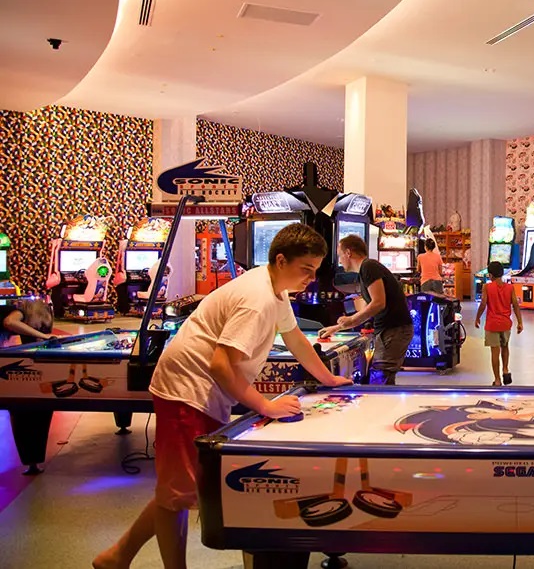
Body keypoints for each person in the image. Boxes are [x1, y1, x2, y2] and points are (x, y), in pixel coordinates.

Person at [94, 224, 352, 569]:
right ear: (280, 260)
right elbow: (220, 365)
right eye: (306, 269)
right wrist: (266, 405)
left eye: (315, 270)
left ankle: (117, 556)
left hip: (204, 392)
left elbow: (295, 339)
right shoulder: (257, 299)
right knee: (178, 495)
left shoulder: (275, 289)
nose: (311, 278)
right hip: (186, 390)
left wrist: (328, 378)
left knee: (179, 488)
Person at [319, 235, 413, 385]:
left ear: (348, 253)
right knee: (380, 375)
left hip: (394, 330)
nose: (340, 261)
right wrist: (336, 328)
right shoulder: (366, 269)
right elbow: (369, 310)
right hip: (391, 330)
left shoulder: (369, 267)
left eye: (340, 255)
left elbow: (378, 303)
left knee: (380, 378)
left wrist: (351, 319)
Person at [474, 261, 523, 386]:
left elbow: (483, 304)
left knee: (495, 352)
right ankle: (505, 369)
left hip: (492, 324)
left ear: (490, 275)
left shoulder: (487, 287)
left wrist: (477, 317)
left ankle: (497, 380)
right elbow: (515, 305)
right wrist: (520, 322)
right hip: (506, 324)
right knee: (505, 347)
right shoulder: (510, 288)